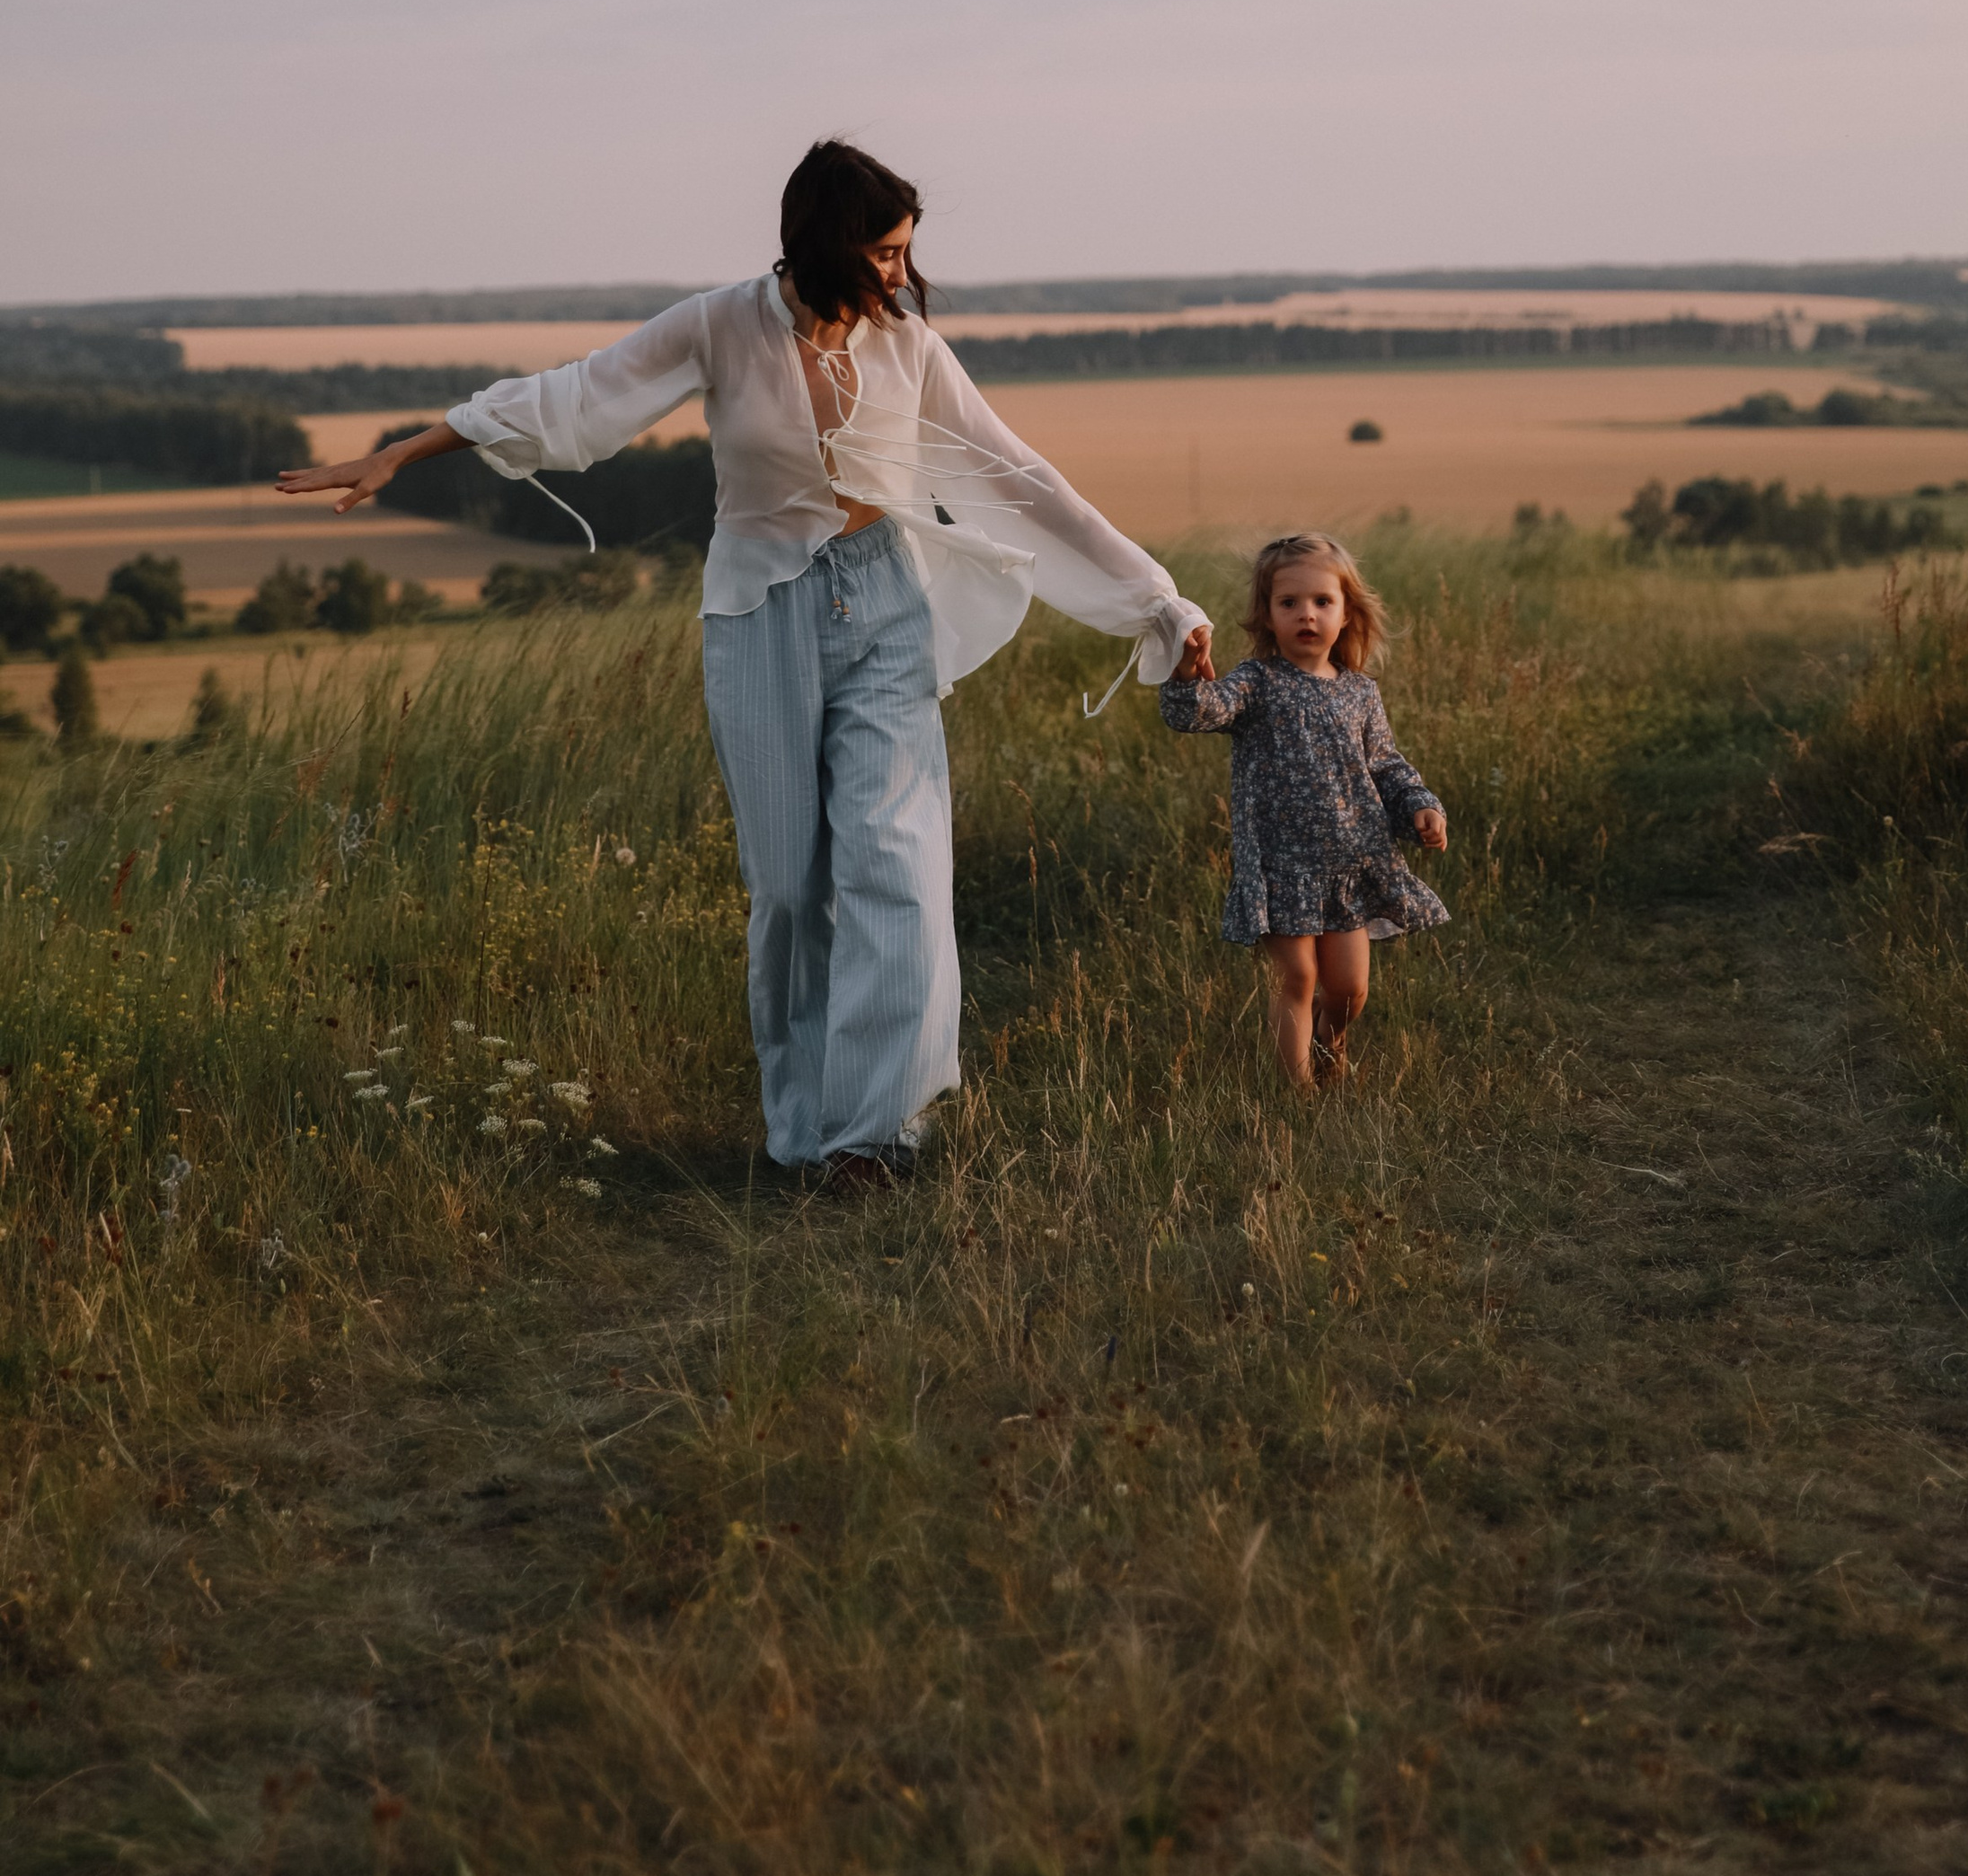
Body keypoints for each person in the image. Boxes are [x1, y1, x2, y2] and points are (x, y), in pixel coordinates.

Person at [277, 140, 1215, 1189]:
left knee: (899, 865)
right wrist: (403, 451)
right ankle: (804, 1134)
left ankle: (875, 1137)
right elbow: (575, 396)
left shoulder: (909, 346)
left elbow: (1019, 475)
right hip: (761, 615)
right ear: (822, 243)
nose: (899, 273)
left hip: (887, 609)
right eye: (882, 252)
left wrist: (1156, 599)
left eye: (905, 251)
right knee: (791, 884)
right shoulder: (719, 324)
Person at [1160, 530, 1447, 1088]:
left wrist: (1421, 806)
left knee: (1349, 990)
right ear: (1267, 616)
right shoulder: (1256, 683)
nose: (1306, 614)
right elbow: (1196, 712)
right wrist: (1187, 670)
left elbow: (1386, 766)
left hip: (1350, 865)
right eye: (1288, 602)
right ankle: (1297, 1097)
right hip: (1281, 867)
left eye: (1321, 601)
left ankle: (1328, 1042)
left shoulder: (1359, 692)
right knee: (1297, 977)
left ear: (1346, 613)